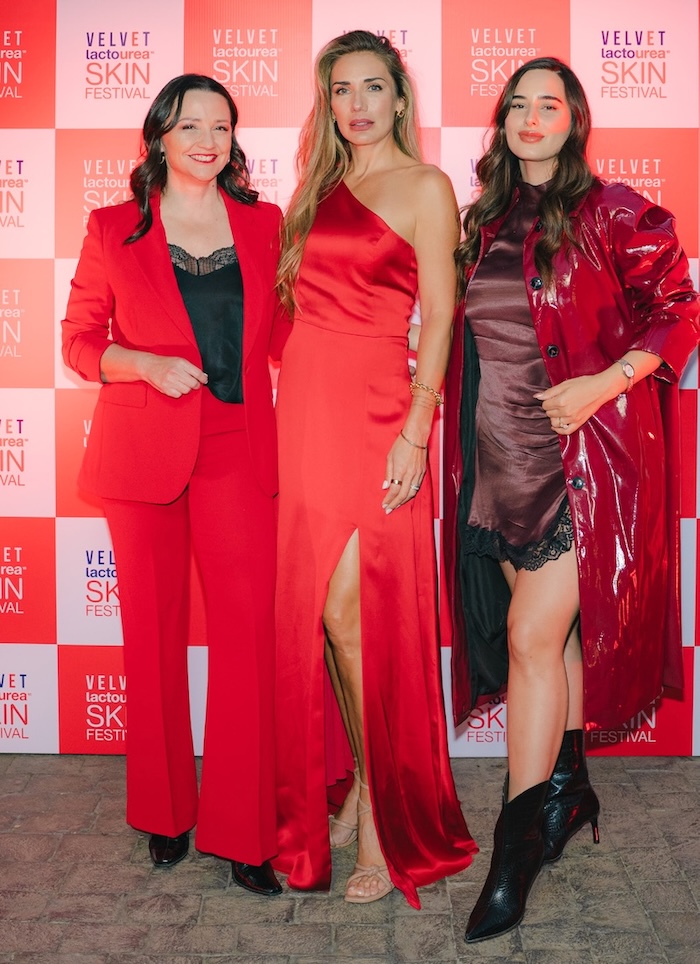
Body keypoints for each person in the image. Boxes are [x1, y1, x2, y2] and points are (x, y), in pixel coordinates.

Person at [443, 56, 700, 942]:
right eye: (516, 104)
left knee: (529, 640)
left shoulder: (614, 211)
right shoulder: (483, 220)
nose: (529, 118)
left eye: (546, 105)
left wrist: (603, 383)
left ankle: (513, 850)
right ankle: (568, 788)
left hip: (582, 462)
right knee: (551, 645)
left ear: (574, 119)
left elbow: (679, 309)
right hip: (499, 461)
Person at [62, 74, 285, 896]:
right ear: (159, 134)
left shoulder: (265, 223)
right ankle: (163, 813)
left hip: (238, 446)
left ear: (234, 139)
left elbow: (292, 332)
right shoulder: (112, 226)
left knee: (247, 639)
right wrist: (142, 364)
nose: (206, 140)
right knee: (151, 639)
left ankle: (244, 831)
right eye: (190, 125)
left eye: (221, 127)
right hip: (142, 452)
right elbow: (79, 341)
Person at [272, 30, 477, 909]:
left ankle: (389, 824)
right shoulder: (317, 187)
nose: (356, 105)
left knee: (353, 616)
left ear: (399, 97)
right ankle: (362, 782)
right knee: (324, 615)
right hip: (306, 408)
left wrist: (416, 429)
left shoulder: (427, 187)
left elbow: (441, 316)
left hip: (379, 408)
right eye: (340, 90)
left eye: (372, 88)